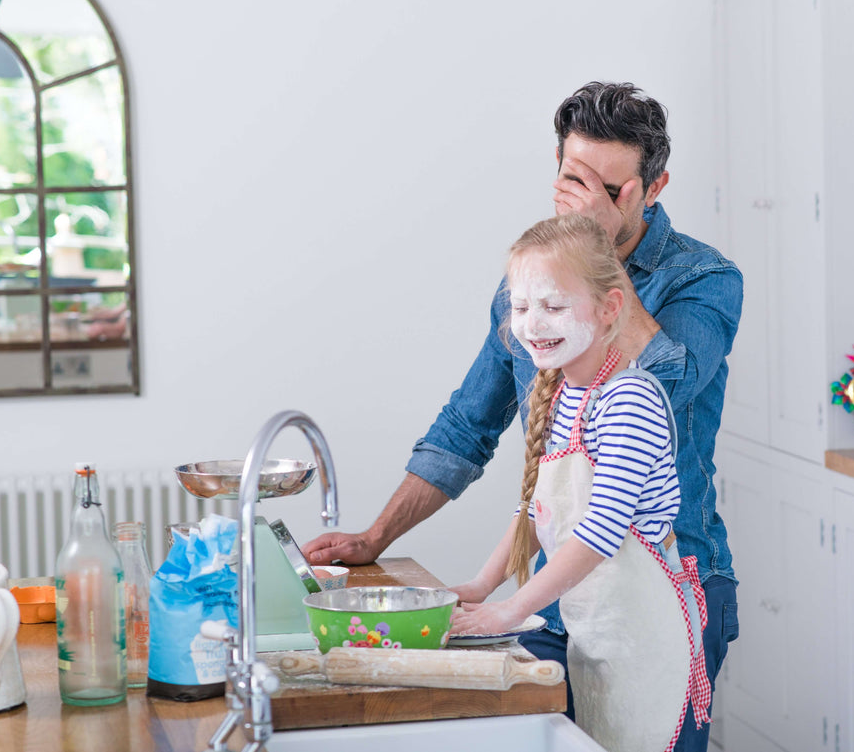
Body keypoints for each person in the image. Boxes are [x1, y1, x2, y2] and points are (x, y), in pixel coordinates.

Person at [303, 81, 742, 751]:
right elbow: (468, 429)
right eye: (574, 179)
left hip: (664, 585)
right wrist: (378, 538)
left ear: (654, 188)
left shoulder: (703, 278)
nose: (535, 320)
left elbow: (669, 383)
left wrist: (597, 253)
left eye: (610, 190)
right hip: (562, 595)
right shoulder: (537, 294)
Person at [450, 214, 709, 752]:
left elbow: (601, 532)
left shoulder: (629, 400)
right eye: (522, 307)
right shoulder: (563, 394)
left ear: (610, 307)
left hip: (644, 643)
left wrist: (511, 611)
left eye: (554, 305)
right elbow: (535, 511)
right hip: (597, 639)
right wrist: (480, 586)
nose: (533, 324)